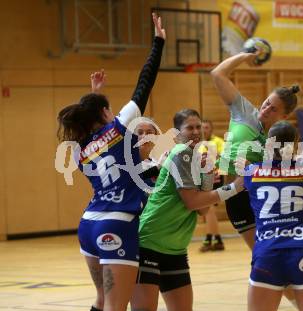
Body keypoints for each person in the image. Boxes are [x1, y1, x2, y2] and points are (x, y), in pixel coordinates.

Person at [210, 51, 303, 309]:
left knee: (297, 233)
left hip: (263, 199)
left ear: (283, 116)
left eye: (272, 108)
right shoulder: (244, 112)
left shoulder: (279, 139)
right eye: (265, 103)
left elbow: (293, 167)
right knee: (271, 265)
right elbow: (217, 74)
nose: (265, 109)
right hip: (237, 198)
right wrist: (245, 55)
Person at [56, 13, 165, 311]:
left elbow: (92, 131)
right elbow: (146, 81)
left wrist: (94, 95)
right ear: (106, 113)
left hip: (88, 226)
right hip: (116, 224)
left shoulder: (80, 150)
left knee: (102, 301)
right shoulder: (119, 127)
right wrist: (159, 41)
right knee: (116, 306)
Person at [130, 109, 244, 311]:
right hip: (150, 241)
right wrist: (234, 187)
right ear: (177, 132)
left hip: (175, 247)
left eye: (198, 126)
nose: (195, 131)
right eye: (189, 127)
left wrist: (208, 175)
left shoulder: (193, 157)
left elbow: (202, 210)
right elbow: (192, 202)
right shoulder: (181, 153)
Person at [244, 121, 303, 311]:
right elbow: (294, 166)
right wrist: (296, 158)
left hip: (267, 252)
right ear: (296, 144)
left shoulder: (251, 171)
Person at [199, 119, 226, 252]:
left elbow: (224, 158)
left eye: (207, 127)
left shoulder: (218, 142)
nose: (204, 130)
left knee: (209, 209)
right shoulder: (199, 144)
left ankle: (209, 239)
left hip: (215, 177)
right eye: (202, 127)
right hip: (203, 178)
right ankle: (217, 239)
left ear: (211, 129)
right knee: (208, 211)